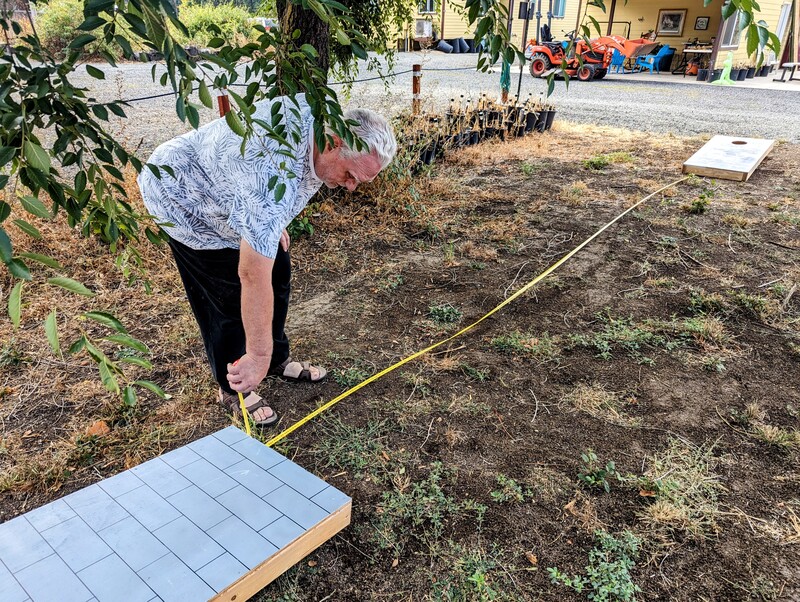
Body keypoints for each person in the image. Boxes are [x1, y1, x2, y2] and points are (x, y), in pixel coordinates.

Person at [138, 94, 397, 426]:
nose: (350, 187)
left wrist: (273, 224)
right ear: (332, 143)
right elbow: (250, 274)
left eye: (360, 181)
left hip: (235, 189)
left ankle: (275, 357)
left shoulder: (321, 115)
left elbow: (272, 189)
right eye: (350, 175)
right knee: (227, 293)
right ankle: (234, 384)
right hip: (183, 196)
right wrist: (256, 355)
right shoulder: (270, 174)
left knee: (279, 267)